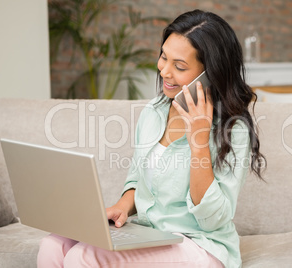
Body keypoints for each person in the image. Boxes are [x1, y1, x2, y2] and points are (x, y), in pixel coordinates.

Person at [37, 9, 264, 268]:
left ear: (210, 73)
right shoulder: (155, 110)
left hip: (200, 244)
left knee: (84, 257)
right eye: (163, 57)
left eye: (179, 66)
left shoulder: (233, 129)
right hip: (151, 233)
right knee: (53, 246)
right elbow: (137, 176)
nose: (165, 71)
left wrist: (199, 142)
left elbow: (214, 219)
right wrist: (123, 206)